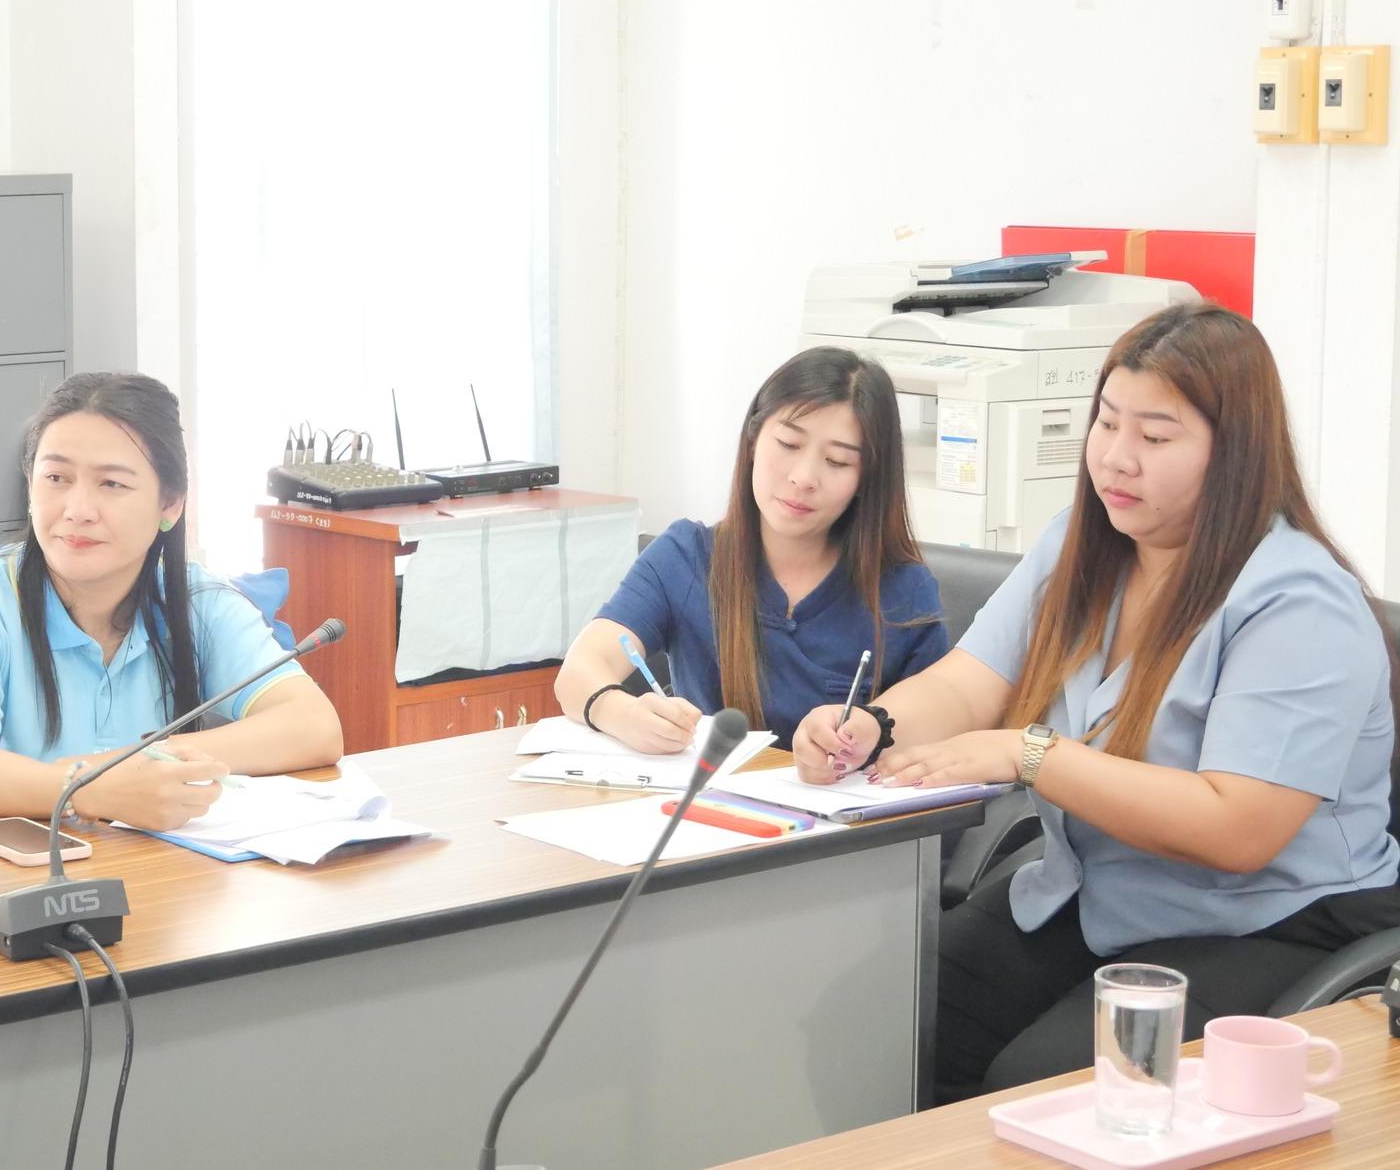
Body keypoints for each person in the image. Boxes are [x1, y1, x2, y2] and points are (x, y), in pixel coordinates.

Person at [791, 303, 1400, 1098]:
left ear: (1235, 453)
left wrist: (1031, 754)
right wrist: (870, 727)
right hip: (1095, 892)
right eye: (1107, 422)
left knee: (1044, 1086)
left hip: (1267, 920)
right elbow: (969, 682)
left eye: (1155, 437)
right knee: (870, 1020)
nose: (1116, 457)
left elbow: (1238, 828)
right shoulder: (1082, 543)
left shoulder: (1299, 602)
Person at [0, 371, 344, 829]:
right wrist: (96, 787)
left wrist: (141, 767)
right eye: (56, 477)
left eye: (111, 484)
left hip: (133, 860)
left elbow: (314, 727)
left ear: (170, 504)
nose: (77, 510)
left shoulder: (200, 601)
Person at [556, 346, 948, 753]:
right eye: (789, 444)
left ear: (867, 478)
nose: (804, 477)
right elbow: (580, 669)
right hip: (705, 791)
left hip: (841, 795)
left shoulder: (903, 591)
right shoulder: (686, 557)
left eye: (837, 461)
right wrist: (622, 713)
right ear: (753, 441)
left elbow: (939, 728)